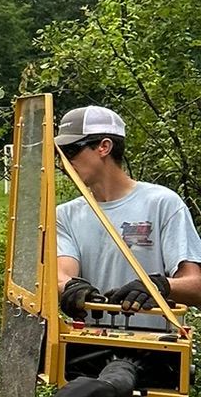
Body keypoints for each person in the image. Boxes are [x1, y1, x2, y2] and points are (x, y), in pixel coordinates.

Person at [55, 104, 201, 320]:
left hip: (156, 347)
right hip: (86, 346)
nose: (62, 162)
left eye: (70, 151)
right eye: (58, 154)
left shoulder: (163, 203)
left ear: (104, 147)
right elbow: (61, 274)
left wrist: (159, 286)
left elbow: (196, 286)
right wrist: (71, 288)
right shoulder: (65, 215)